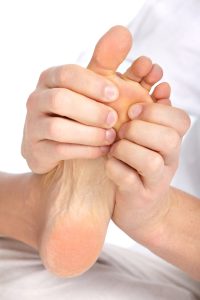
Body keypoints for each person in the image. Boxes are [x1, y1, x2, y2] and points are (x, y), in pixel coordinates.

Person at [1, 0, 200, 299]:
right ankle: (36, 200)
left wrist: (161, 217)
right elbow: (137, 80)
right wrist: (82, 120)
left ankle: (27, 201)